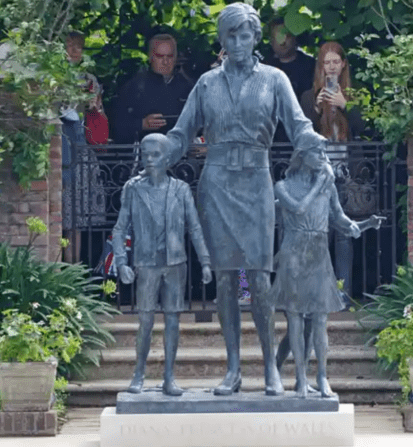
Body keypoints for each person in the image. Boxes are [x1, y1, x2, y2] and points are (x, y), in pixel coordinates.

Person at [163, 3, 330, 397]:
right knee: (224, 279)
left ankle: (271, 367)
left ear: (256, 38)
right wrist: (155, 158)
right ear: (222, 40)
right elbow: (181, 133)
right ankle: (233, 367)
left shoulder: (274, 79)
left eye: (245, 35)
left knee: (257, 275)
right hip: (217, 182)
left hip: (256, 180)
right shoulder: (206, 83)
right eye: (230, 36)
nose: (238, 43)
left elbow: (298, 125)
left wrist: (316, 145)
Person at [271, 147, 383, 398]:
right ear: (303, 156)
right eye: (318, 152)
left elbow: (341, 220)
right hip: (294, 254)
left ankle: (321, 376)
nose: (324, 156)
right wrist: (319, 184)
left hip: (319, 254)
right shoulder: (283, 186)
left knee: (319, 320)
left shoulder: (328, 188)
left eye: (324, 152)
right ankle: (298, 378)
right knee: (296, 322)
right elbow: (298, 209)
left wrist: (363, 225)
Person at [111, 133, 213, 396]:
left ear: (168, 159)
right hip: (146, 264)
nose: (149, 159)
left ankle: (169, 376)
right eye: (145, 154)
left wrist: (205, 261)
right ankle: (139, 373)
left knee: (173, 321)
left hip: (175, 264)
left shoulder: (180, 190)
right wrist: (122, 262)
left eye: (155, 155)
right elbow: (120, 230)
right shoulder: (133, 189)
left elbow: (195, 227)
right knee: (145, 322)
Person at [299, 41, 365, 298]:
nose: (331, 67)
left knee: (343, 235)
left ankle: (343, 292)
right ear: (321, 66)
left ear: (343, 64)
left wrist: (345, 104)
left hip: (347, 174)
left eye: (335, 62)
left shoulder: (355, 95)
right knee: (318, 234)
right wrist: (317, 109)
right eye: (326, 62)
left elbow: (367, 128)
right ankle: (319, 292)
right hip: (319, 175)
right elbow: (301, 132)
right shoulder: (308, 96)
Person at [61, 31, 107, 262]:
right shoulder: (52, 77)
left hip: (82, 149)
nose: (74, 51)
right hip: (62, 148)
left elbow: (98, 120)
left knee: (75, 218)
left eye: (78, 47)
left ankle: (74, 271)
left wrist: (94, 107)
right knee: (61, 215)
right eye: (69, 46)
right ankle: (61, 272)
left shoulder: (89, 79)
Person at [113, 34, 195, 144]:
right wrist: (142, 124)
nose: (165, 62)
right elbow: (116, 127)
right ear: (150, 57)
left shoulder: (189, 87)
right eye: (160, 56)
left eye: (170, 56)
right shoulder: (134, 87)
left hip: (182, 155)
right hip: (147, 155)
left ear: (176, 57)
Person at [265, 18, 316, 143]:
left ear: (294, 38)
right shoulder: (264, 68)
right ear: (271, 41)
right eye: (277, 38)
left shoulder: (311, 66)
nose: (282, 42)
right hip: (272, 138)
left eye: (286, 37)